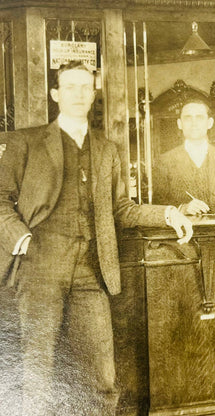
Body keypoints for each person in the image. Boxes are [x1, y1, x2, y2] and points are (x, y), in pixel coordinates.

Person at [0, 60, 193, 416]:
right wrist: (21, 239)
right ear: (56, 94)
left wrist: (168, 213)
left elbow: (122, 208)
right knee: (38, 372)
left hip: (92, 271)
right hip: (39, 268)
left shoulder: (107, 149)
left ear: (94, 95)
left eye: (85, 87)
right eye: (69, 87)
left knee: (102, 376)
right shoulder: (23, 142)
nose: (78, 94)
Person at [153, 98, 215, 214]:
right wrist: (182, 208)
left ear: (210, 123)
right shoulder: (164, 161)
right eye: (188, 118)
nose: (194, 123)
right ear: (179, 124)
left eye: (200, 117)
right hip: (182, 231)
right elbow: (157, 208)